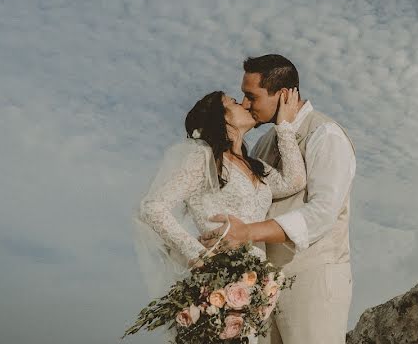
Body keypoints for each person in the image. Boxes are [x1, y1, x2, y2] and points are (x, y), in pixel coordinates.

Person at [201, 54, 356, 344]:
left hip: (313, 283)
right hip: (261, 288)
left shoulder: (325, 134)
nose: (245, 104)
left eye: (251, 96)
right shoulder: (263, 143)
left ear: (282, 94)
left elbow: (322, 213)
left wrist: (248, 233)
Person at [135, 88, 305, 295]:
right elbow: (152, 207)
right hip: (217, 280)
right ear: (221, 118)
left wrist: (284, 127)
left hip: (255, 283)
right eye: (234, 102)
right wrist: (198, 255)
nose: (244, 104)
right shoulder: (204, 160)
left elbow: (294, 181)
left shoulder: (256, 167)